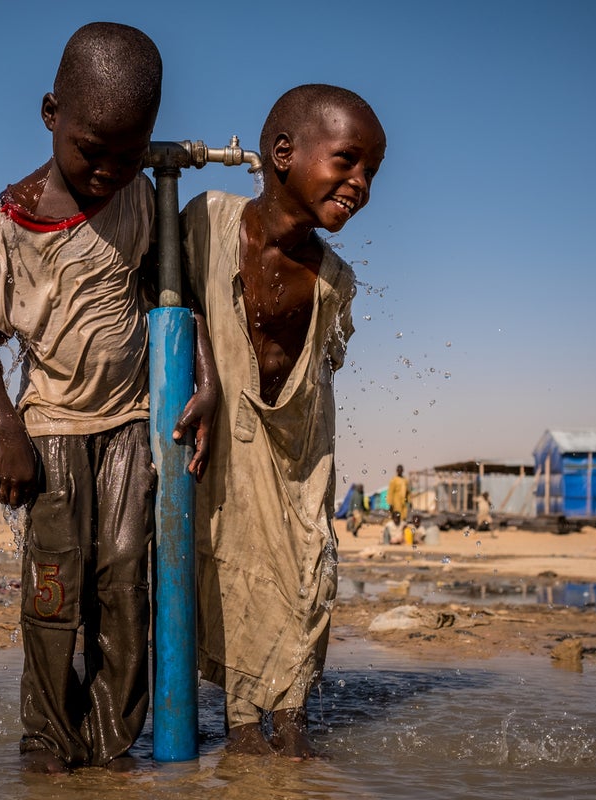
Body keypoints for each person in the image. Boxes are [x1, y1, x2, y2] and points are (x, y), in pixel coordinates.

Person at [0, 23, 215, 774]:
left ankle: (109, 743)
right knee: (54, 589)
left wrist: (208, 382)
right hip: (53, 428)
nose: (106, 170)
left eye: (127, 155)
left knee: (128, 576)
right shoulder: (15, 217)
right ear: (50, 114)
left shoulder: (137, 197)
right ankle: (46, 737)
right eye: (90, 149)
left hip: (132, 425)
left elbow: (175, 300)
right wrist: (6, 431)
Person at [181, 83, 386, 759]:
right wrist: (210, 377)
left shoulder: (333, 279)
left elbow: (325, 369)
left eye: (370, 174)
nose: (360, 184)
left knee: (306, 570)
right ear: (282, 153)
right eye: (348, 162)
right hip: (225, 428)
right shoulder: (207, 222)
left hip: (300, 449)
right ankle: (243, 728)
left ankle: (294, 723)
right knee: (232, 562)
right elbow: (177, 302)